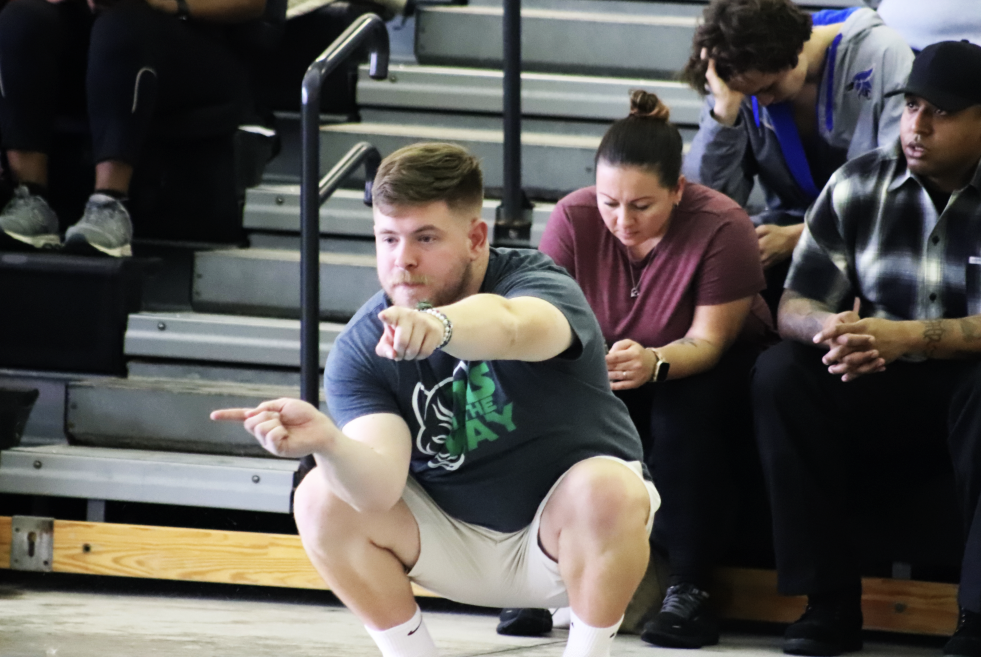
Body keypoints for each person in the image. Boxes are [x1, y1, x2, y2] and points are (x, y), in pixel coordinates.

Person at [212, 142, 660, 657]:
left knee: (607, 488)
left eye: (425, 237)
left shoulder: (536, 281)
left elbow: (512, 328)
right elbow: (377, 489)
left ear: (474, 238)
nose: (403, 260)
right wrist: (329, 444)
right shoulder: (363, 347)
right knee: (319, 495)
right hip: (449, 541)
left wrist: (438, 327)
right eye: (388, 238)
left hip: (560, 539)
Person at [501, 90, 774, 650]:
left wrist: (655, 362)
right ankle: (535, 576)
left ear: (678, 190)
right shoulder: (574, 216)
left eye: (641, 206)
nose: (621, 220)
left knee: (683, 410)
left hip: (709, 365)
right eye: (609, 202)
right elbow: (544, 317)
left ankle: (690, 587)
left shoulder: (723, 224)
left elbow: (709, 341)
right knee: (542, 398)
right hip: (604, 362)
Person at [751, 41, 981, 657]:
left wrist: (905, 335)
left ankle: (978, 617)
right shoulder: (859, 182)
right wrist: (831, 331)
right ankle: (825, 606)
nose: (917, 126)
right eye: (911, 106)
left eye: (942, 112)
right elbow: (794, 301)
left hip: (966, 386)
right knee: (782, 373)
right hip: (876, 377)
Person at [681, 0, 913, 313]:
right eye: (751, 94)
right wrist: (724, 115)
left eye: (770, 86)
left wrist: (801, 237)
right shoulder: (738, 80)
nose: (763, 101)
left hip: (873, 239)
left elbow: (898, 188)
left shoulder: (884, 54)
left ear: (796, 50)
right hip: (786, 229)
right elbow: (706, 204)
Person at [0, 0, 266, 257]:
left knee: (123, 23)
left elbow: (252, 3)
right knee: (21, 19)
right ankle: (29, 197)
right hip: (97, 32)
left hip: (192, 37)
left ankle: (109, 204)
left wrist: (172, 3)